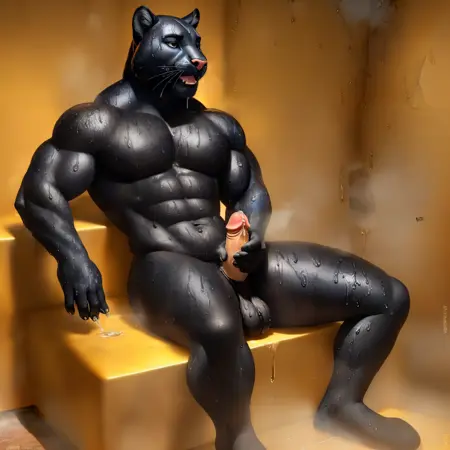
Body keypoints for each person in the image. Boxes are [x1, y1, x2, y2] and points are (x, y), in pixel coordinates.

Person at [15, 6, 420, 450]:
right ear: (140, 40)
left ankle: (343, 405)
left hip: (229, 258)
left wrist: (252, 235)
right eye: (174, 43)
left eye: (196, 45)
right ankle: (236, 437)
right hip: (162, 264)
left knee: (388, 296)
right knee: (221, 328)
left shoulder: (217, 125)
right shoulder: (97, 121)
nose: (195, 56)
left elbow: (252, 191)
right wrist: (74, 258)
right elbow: (37, 192)